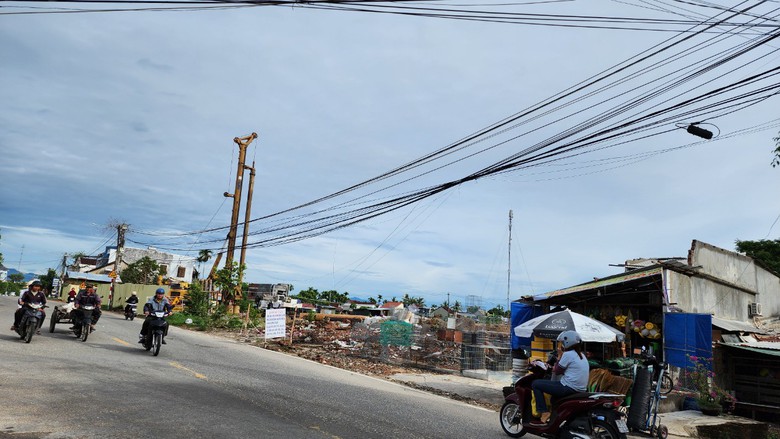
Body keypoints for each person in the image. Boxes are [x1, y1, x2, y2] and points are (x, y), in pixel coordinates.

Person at [530, 330, 589, 425]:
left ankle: (544, 412)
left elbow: (557, 371)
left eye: (561, 342)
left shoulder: (568, 354)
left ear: (567, 342)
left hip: (568, 387)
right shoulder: (582, 355)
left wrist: (559, 356)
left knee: (536, 384)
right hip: (580, 389)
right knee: (553, 397)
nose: (560, 345)